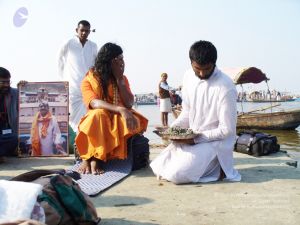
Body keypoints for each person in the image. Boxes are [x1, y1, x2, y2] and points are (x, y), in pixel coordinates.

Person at [150, 40, 241, 184]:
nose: (202, 73)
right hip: (193, 138)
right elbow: (187, 112)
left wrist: (195, 139)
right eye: (197, 69)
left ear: (214, 63)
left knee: (176, 175)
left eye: (207, 69)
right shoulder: (188, 77)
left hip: (215, 143)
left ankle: (220, 169)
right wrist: (173, 130)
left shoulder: (225, 86)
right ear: (191, 63)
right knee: (159, 166)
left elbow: (227, 130)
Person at [75, 43, 148, 175]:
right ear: (109, 60)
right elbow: (94, 103)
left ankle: (95, 158)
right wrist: (120, 109)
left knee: (129, 122)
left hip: (119, 117)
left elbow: (129, 103)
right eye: (119, 59)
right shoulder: (89, 79)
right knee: (99, 115)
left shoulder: (122, 78)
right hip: (98, 118)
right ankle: (91, 157)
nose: (122, 62)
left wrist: (120, 80)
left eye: (122, 58)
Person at [58, 20, 98, 132]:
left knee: (88, 115)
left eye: (87, 31)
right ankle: (75, 142)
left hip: (88, 87)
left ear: (90, 32)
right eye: (82, 30)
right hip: (72, 87)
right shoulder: (69, 43)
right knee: (73, 117)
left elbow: (96, 65)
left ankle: (85, 143)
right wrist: (62, 81)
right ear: (77, 30)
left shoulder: (93, 46)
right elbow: (59, 61)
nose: (84, 33)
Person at [0, 67, 18, 159]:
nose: (7, 85)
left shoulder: (13, 93)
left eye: (8, 82)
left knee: (15, 139)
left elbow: (25, 94)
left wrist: (24, 86)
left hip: (7, 134)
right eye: (3, 82)